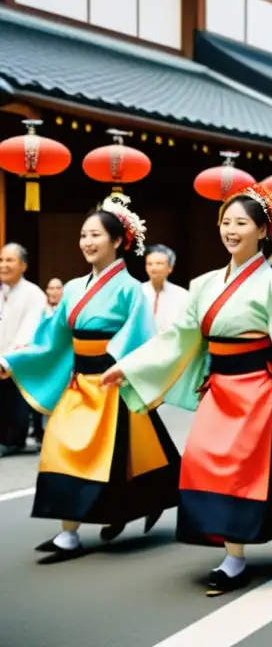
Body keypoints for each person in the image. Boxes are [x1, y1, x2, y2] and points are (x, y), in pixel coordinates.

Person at [101, 186, 272, 595]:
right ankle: (230, 548)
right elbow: (177, 337)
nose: (231, 230)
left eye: (241, 223)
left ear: (262, 231)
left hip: (256, 391)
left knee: (240, 472)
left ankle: (233, 557)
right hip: (218, 390)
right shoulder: (203, 284)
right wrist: (129, 366)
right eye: (226, 222)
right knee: (201, 460)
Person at [0, 195, 179, 561]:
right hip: (79, 382)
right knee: (59, 446)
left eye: (95, 234)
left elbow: (141, 338)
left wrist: (124, 367)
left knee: (115, 459)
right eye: (83, 235)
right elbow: (52, 339)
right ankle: (69, 532)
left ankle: (88, 526)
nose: (87, 242)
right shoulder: (72, 289)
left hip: (113, 382)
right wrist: (13, 361)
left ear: (117, 241)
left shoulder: (130, 289)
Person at [0, 243, 48, 454]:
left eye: (9, 260)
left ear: (23, 266)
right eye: (1, 260)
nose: (3, 265)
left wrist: (7, 360)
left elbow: (30, 330)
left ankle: (13, 441)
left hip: (18, 361)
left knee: (14, 403)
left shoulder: (34, 294)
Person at [141, 244, 189, 332]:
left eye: (159, 263)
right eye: (149, 264)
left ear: (170, 268)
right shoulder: (137, 291)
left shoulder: (182, 295)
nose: (154, 268)